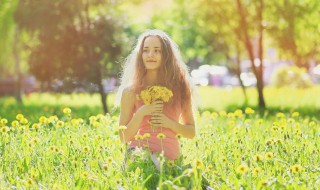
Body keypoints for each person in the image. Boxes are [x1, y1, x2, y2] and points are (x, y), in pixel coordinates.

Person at [116, 29, 197, 168]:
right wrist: (142, 112)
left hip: (171, 159)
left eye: (157, 50)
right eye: (146, 50)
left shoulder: (182, 88)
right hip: (139, 154)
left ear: (166, 55)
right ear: (140, 55)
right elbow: (123, 137)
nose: (150, 55)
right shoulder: (130, 91)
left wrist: (169, 123)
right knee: (151, 164)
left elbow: (191, 132)